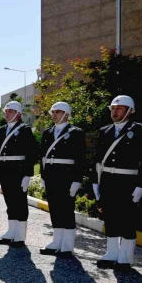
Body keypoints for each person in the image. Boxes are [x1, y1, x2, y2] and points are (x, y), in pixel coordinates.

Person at [92, 95, 142, 270]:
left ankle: (125, 258)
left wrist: (141, 185)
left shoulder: (140, 130)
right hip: (107, 181)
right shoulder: (105, 130)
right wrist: (95, 183)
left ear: (130, 111)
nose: (115, 112)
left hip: (128, 182)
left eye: (119, 108)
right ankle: (112, 253)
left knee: (127, 220)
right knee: (110, 218)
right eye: (113, 108)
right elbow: (97, 160)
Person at [39, 102, 86, 257]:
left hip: (67, 177)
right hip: (51, 175)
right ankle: (56, 242)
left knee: (66, 210)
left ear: (66, 114)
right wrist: (43, 175)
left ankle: (67, 245)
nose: (54, 115)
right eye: (52, 112)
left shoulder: (75, 133)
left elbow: (80, 158)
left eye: (58, 112)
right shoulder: (47, 132)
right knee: (55, 209)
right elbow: (43, 157)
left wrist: (76, 180)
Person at [0, 101, 38, 247]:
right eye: (6, 111)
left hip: (19, 171)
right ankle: (11, 231)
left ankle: (20, 235)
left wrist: (27, 175)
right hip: (6, 171)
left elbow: (31, 154)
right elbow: (0, 155)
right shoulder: (2, 130)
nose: (6, 114)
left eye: (10, 111)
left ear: (18, 114)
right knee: (9, 202)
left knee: (20, 202)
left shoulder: (25, 130)